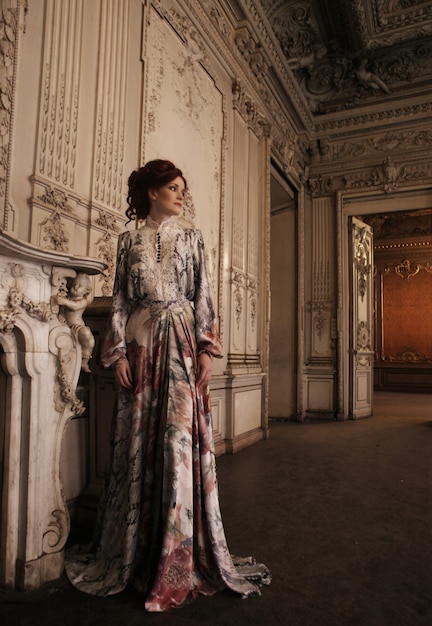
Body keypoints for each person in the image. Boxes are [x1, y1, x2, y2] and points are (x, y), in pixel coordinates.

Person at [65, 159, 271, 612]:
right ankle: (137, 554)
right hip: (140, 349)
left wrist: (205, 350)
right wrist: (115, 352)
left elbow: (203, 297)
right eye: (173, 188)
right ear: (153, 192)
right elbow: (119, 299)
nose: (181, 195)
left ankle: (177, 561)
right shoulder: (127, 242)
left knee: (179, 443)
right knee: (141, 447)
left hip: (179, 344)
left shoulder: (193, 239)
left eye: (183, 189)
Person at [56, 272, 95, 372]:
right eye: (74, 284)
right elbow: (62, 310)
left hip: (77, 326)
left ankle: (84, 361)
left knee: (87, 337)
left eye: (80, 286)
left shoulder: (83, 301)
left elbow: (74, 306)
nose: (76, 287)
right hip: (66, 325)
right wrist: (61, 314)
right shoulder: (67, 297)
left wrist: (63, 302)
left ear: (87, 290)